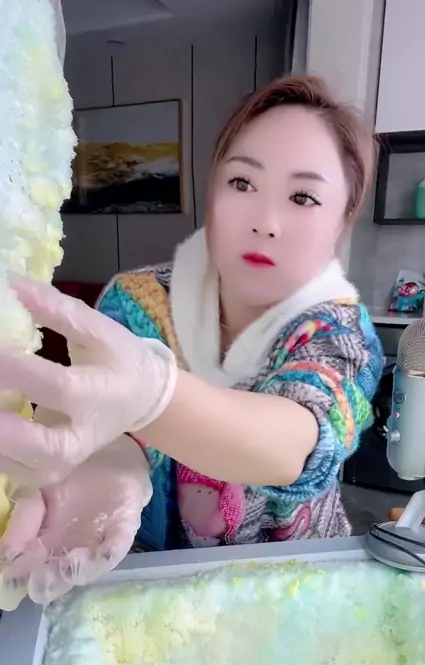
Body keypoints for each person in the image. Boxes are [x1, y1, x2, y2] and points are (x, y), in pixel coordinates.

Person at [0, 75, 383, 605]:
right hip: (157, 591)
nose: (266, 222)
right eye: (243, 183)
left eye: (303, 197)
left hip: (299, 593)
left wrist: (153, 396)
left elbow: (300, 439)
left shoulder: (338, 330)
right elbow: (110, 425)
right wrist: (105, 462)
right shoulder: (137, 302)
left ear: (341, 222)